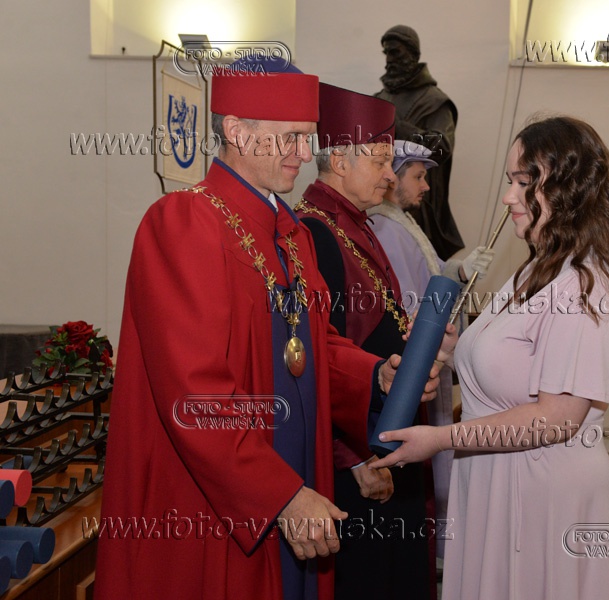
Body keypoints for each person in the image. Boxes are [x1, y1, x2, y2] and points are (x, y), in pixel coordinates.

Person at [95, 57, 444, 600]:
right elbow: (194, 393)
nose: (305, 154)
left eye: (307, 137)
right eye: (292, 137)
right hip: (223, 505)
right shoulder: (184, 223)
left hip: (295, 482)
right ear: (237, 130)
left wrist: (376, 376)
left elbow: (313, 345)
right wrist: (280, 495)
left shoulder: (290, 234)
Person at [370, 116, 609, 599]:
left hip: (542, 491)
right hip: (499, 477)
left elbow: (557, 418)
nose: (507, 197)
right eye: (509, 181)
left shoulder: (586, 286)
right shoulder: (537, 269)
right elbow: (514, 365)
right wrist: (452, 351)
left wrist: (439, 439)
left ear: (566, 189)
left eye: (523, 183)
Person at [295, 84, 432, 600]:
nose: (390, 175)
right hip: (361, 455)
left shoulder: (357, 223)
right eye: (379, 161)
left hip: (387, 436)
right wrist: (353, 459)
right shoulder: (316, 232)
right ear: (339, 162)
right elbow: (317, 359)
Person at [367, 140, 495, 557]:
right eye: (419, 177)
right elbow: (413, 303)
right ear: (393, 179)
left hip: (431, 353)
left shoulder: (402, 220)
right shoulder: (383, 225)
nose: (426, 187)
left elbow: (432, 274)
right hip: (419, 358)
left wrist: (458, 270)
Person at [375, 25, 463, 260]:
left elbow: (441, 148)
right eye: (386, 53)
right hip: (378, 204)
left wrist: (397, 125)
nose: (389, 60)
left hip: (418, 209)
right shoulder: (380, 99)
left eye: (395, 52)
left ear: (413, 54)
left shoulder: (434, 101)